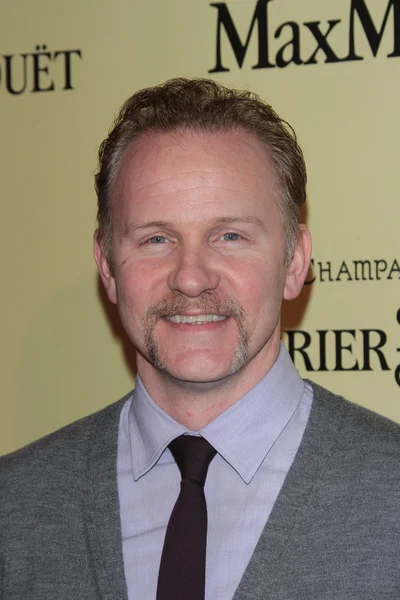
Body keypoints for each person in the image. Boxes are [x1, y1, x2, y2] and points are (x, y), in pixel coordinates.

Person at [1, 78, 400, 600]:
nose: (191, 278)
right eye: (156, 239)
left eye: (230, 236)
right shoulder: (14, 506)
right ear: (108, 266)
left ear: (294, 262)